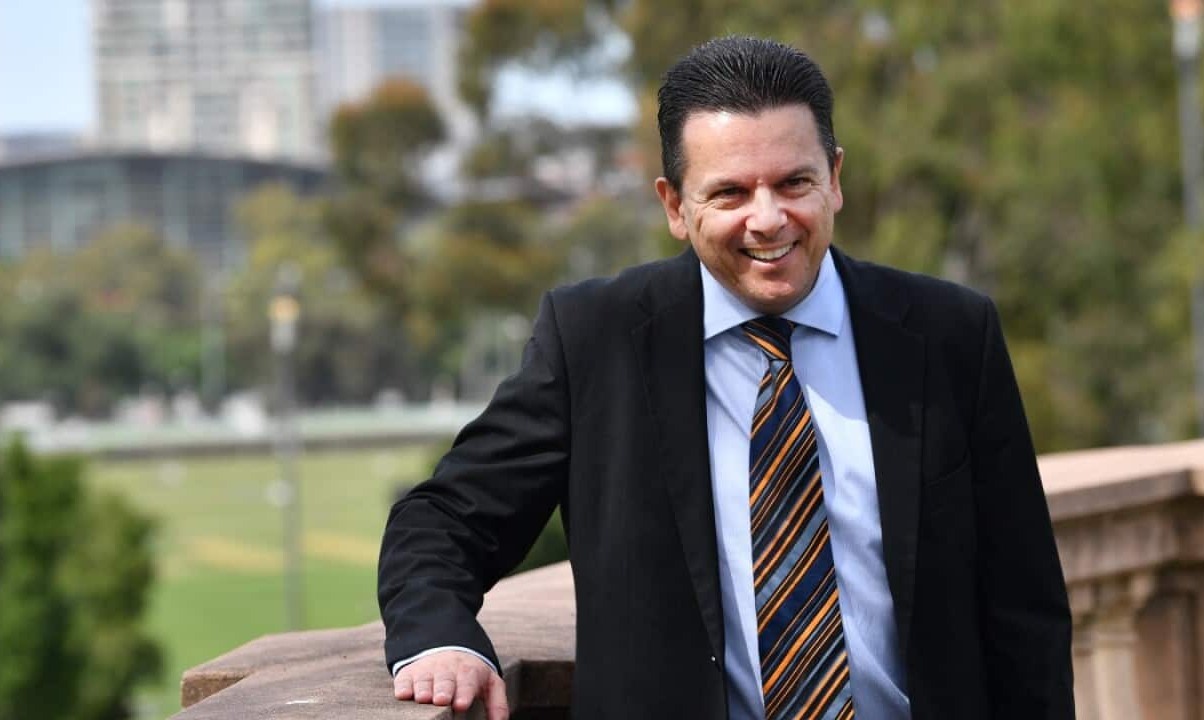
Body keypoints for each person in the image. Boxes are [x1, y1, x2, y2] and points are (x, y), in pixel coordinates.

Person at [378, 36, 1073, 720]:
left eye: (794, 182)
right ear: (676, 207)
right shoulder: (596, 340)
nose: (768, 219)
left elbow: (1025, 609)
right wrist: (441, 638)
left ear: (835, 177)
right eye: (731, 192)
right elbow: (441, 520)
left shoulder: (951, 334)